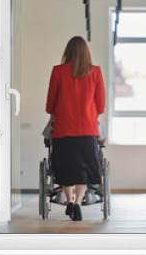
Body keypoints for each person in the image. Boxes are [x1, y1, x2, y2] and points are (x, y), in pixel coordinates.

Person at [45, 36, 106, 221]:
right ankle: (78, 203)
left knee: (66, 166)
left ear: (67, 52)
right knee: (84, 168)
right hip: (88, 130)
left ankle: (69, 200)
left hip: (63, 129)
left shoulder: (58, 71)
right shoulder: (96, 72)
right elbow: (101, 106)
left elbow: (50, 105)